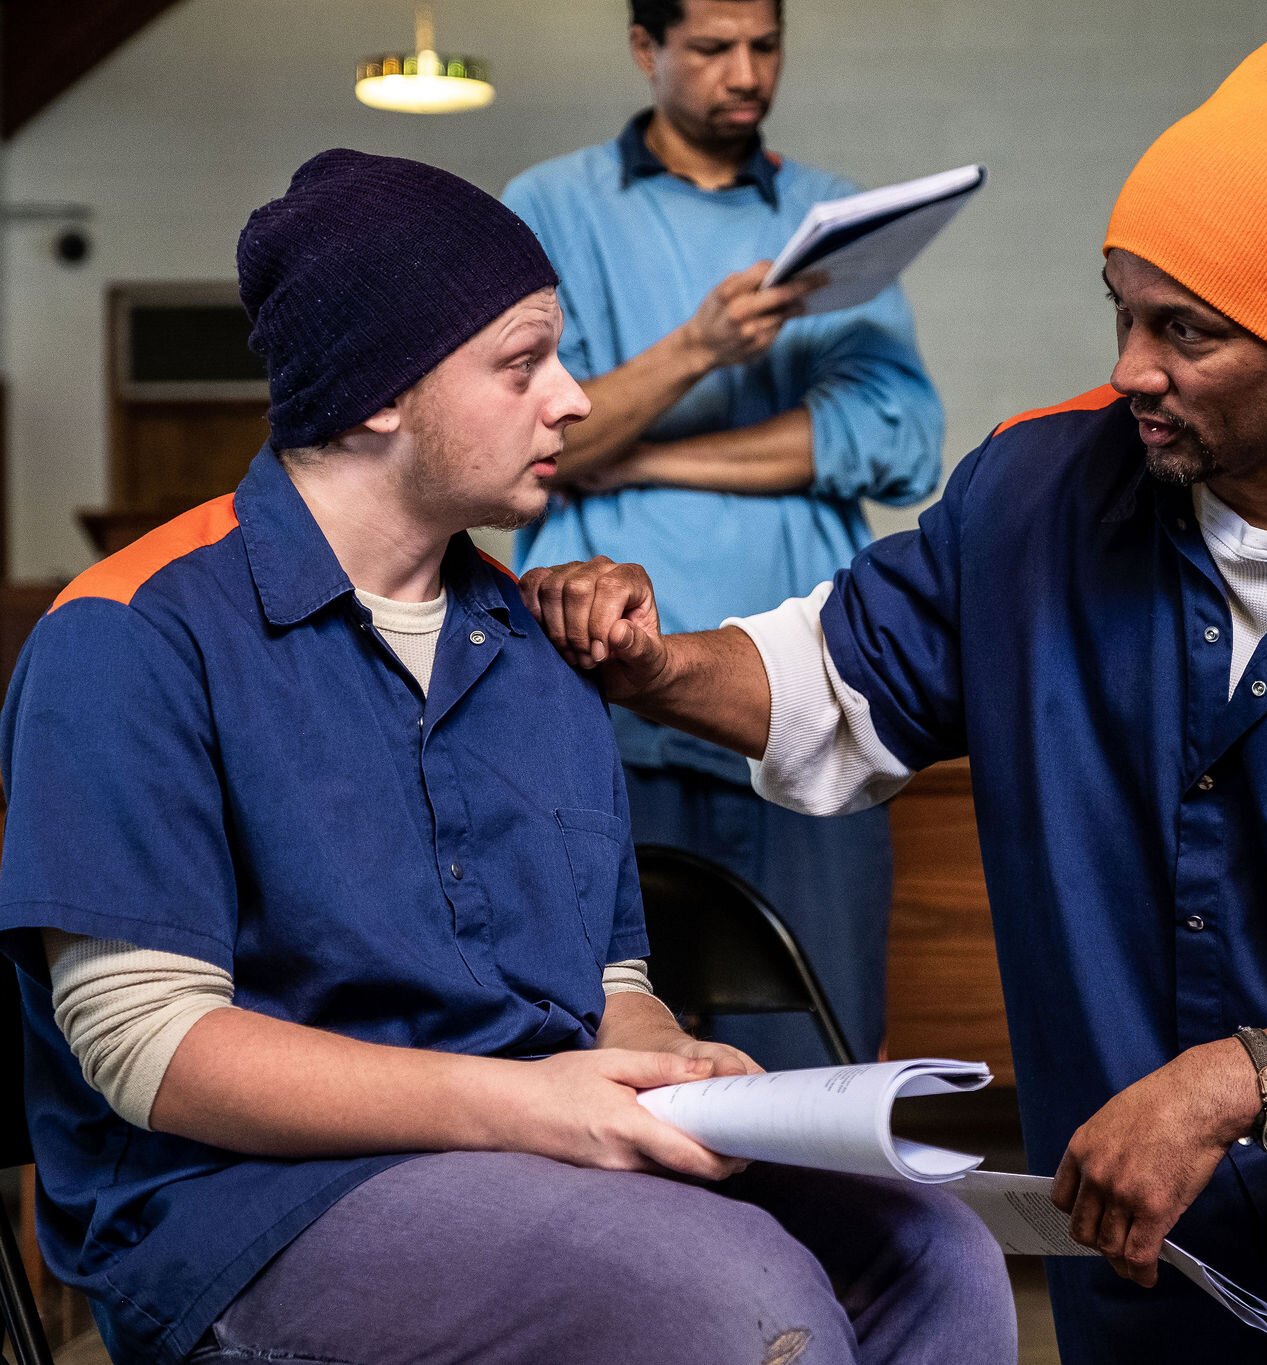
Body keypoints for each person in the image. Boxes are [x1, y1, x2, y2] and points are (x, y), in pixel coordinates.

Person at [523, 28, 1267, 1365]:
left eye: (1185, 331)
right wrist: (655, 662)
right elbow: (830, 675)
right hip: (1179, 1232)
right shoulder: (1040, 494)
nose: (1131, 367)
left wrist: (1237, 1078)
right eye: (1123, 309)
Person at [0, 148, 1011, 1365]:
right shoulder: (130, 634)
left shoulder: (535, 644)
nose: (574, 401)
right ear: (379, 394)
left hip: (526, 1150)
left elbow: (609, 975)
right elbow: (146, 1047)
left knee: (934, 1251)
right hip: (246, 1207)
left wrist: (652, 1053)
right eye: (522, 364)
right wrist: (536, 1107)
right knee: (722, 1291)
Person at [500, 0, 944, 1069]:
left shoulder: (835, 214)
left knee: (820, 1052)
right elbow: (538, 433)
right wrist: (698, 350)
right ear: (645, 50)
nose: (743, 74)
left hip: (811, 704)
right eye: (708, 49)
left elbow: (900, 436)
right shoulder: (547, 208)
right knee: (609, 1055)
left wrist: (641, 450)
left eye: (764, 45)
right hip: (606, 707)